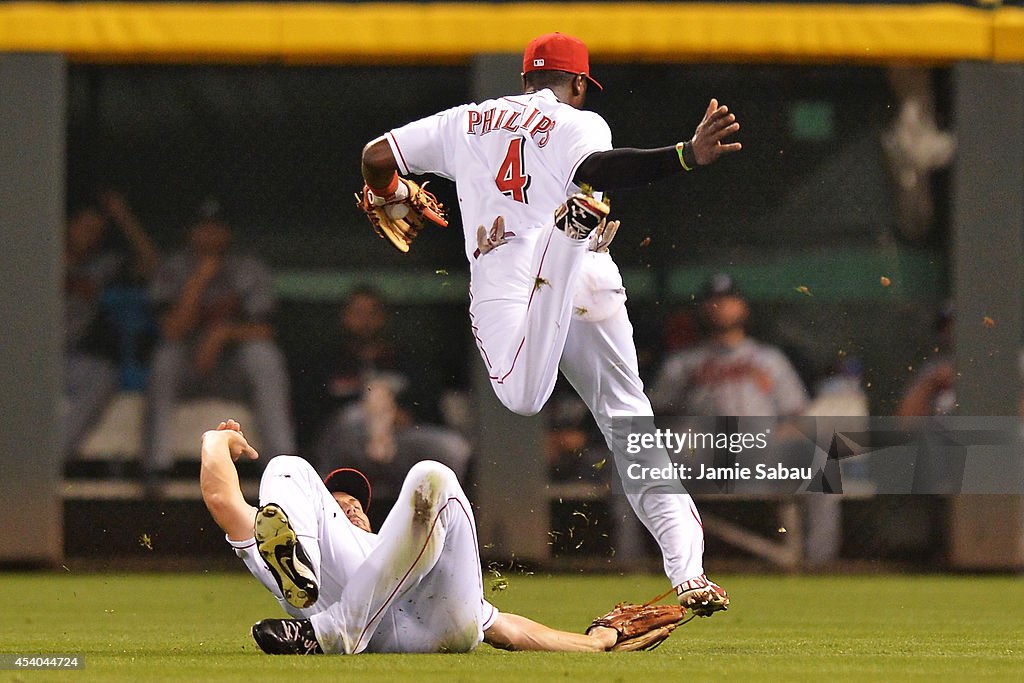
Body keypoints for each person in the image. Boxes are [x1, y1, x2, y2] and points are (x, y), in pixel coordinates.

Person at [359, 32, 740, 615]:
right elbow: (601, 169)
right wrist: (683, 155)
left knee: (522, 397)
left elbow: (375, 157)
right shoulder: (579, 123)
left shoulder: (465, 121)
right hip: (588, 273)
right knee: (630, 424)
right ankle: (689, 572)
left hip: (510, 281)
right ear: (579, 84)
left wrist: (391, 193)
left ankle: (567, 236)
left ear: (523, 81)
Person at [199, 419, 635, 654]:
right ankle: (300, 562)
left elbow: (504, 628)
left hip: (434, 621)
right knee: (283, 465)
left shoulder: (390, 545)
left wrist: (594, 643)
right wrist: (215, 442)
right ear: (321, 514)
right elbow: (222, 497)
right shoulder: (322, 541)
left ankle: (335, 631)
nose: (350, 506)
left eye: (358, 504)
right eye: (337, 503)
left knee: (433, 477)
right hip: (329, 585)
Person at [144, 201, 296, 480]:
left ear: (227, 232)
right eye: (203, 228)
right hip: (189, 366)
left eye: (216, 228)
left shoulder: (249, 268)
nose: (210, 235)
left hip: (233, 369)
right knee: (165, 358)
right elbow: (172, 331)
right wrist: (199, 280)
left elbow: (268, 329)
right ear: (191, 232)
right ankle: (158, 467)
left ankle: (281, 468)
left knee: (264, 356)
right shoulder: (174, 268)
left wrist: (222, 334)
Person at [63, 191, 159, 461]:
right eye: (86, 228)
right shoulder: (35, 259)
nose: (90, 235)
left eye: (97, 231)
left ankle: (47, 460)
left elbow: (152, 265)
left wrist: (123, 218)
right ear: (68, 226)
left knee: (103, 375)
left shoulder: (101, 265)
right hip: (24, 354)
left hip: (68, 358)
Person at [651, 273, 809, 418]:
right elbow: (657, 412)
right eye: (714, 300)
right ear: (701, 308)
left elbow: (796, 413)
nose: (722, 306)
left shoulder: (770, 358)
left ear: (743, 306)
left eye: (729, 299)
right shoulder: (682, 362)